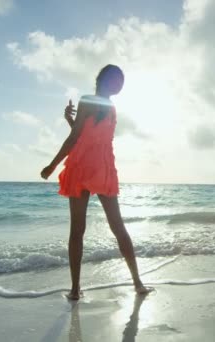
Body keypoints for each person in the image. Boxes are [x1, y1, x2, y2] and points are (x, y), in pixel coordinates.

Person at [40, 64, 151, 300]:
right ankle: (132, 283)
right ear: (103, 78)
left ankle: (81, 289)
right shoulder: (99, 104)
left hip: (90, 167)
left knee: (105, 227)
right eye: (116, 79)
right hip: (95, 167)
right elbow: (79, 137)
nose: (120, 84)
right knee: (89, 229)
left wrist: (53, 164)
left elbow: (81, 137)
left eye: (122, 81)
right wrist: (55, 159)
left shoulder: (102, 104)